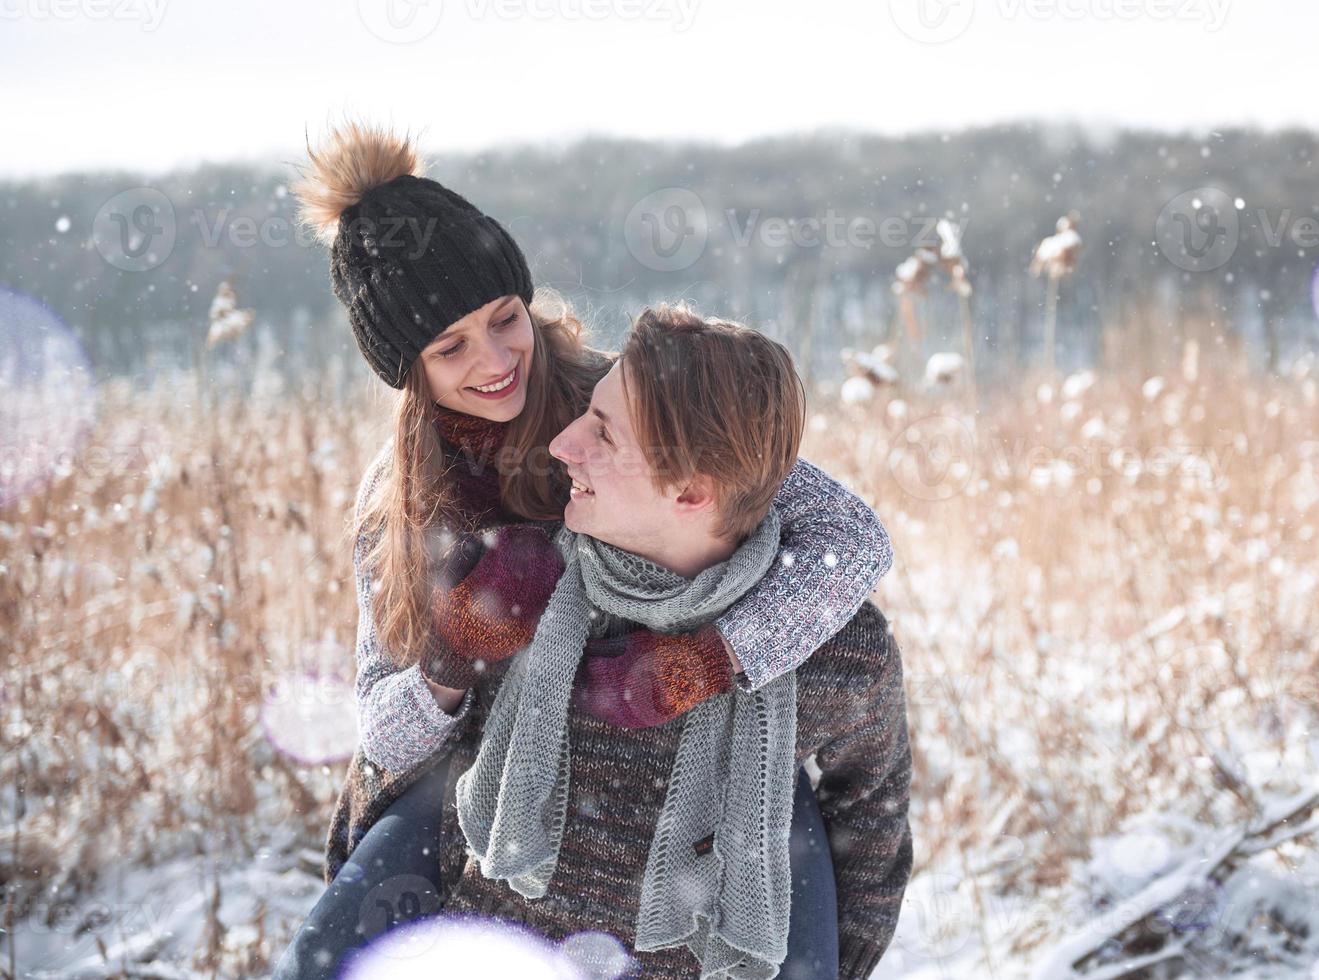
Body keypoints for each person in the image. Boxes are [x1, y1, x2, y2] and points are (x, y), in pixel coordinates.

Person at [271, 121, 895, 979]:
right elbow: (378, 728)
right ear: (403, 367)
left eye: (505, 318)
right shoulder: (401, 505)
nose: (495, 360)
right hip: (484, 767)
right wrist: (453, 662)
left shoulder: (622, 408)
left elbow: (850, 537)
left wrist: (712, 658)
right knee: (325, 957)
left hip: (717, 740)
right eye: (450, 346)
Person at [436, 304, 913, 980]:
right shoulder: (520, 577)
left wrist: (843, 956)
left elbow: (872, 810)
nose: (563, 443)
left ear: (691, 490)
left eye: (602, 434)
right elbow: (411, 771)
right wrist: (460, 639)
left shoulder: (834, 649)